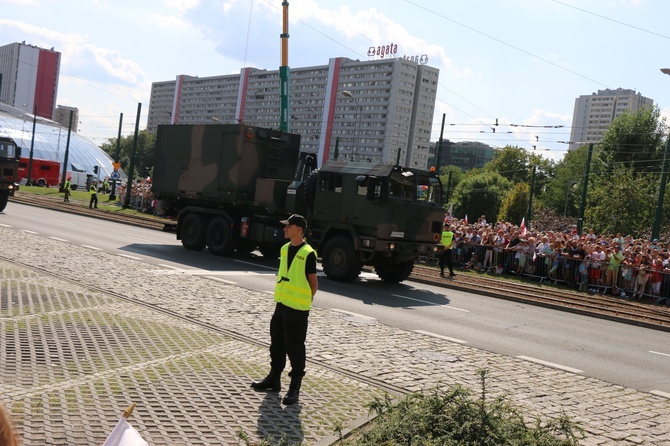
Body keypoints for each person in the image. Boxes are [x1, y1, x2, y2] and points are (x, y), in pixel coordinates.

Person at [251, 214, 318, 405]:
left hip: (297, 309)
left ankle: (294, 388)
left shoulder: (308, 253)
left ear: (299, 229)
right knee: (277, 344)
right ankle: (274, 379)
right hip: (281, 305)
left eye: (288, 226)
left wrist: (304, 300)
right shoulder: (284, 248)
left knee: (295, 348)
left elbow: (314, 284)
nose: (284, 229)